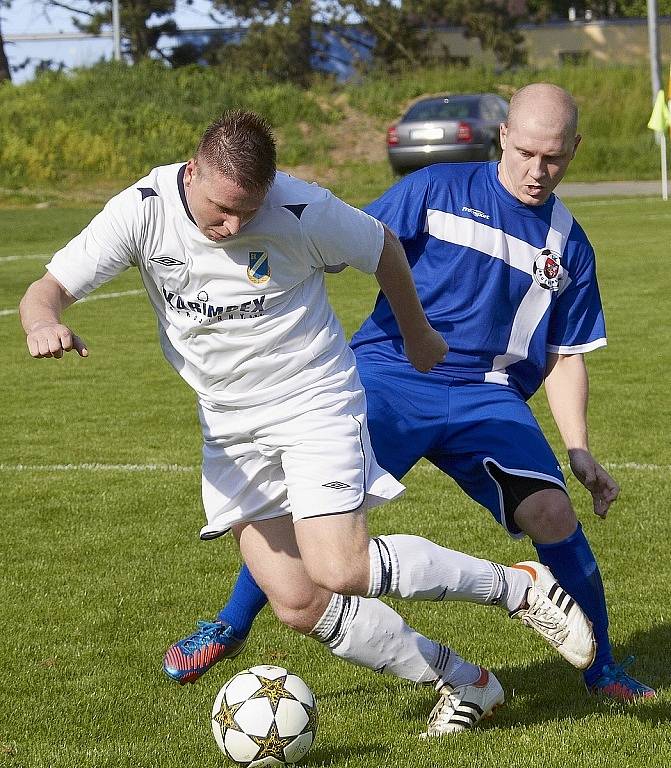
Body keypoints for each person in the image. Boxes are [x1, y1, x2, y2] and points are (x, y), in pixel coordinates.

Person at [19, 109, 596, 738]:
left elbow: (383, 249)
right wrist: (42, 323)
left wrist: (418, 334)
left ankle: (517, 587)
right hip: (230, 427)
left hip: (312, 400)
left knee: (341, 567)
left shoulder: (302, 208)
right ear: (192, 174)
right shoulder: (141, 209)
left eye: (249, 211)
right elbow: (44, 290)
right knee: (297, 601)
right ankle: (464, 682)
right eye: (221, 210)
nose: (234, 226)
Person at [163, 85, 655, 702]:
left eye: (553, 158)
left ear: (574, 150)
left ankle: (601, 668)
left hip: (488, 396)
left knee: (553, 513)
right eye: (525, 151)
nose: (536, 170)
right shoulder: (435, 188)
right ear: (502, 135)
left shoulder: (569, 243)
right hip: (390, 373)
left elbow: (563, 353)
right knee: (302, 505)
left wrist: (579, 448)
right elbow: (346, 239)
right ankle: (231, 622)